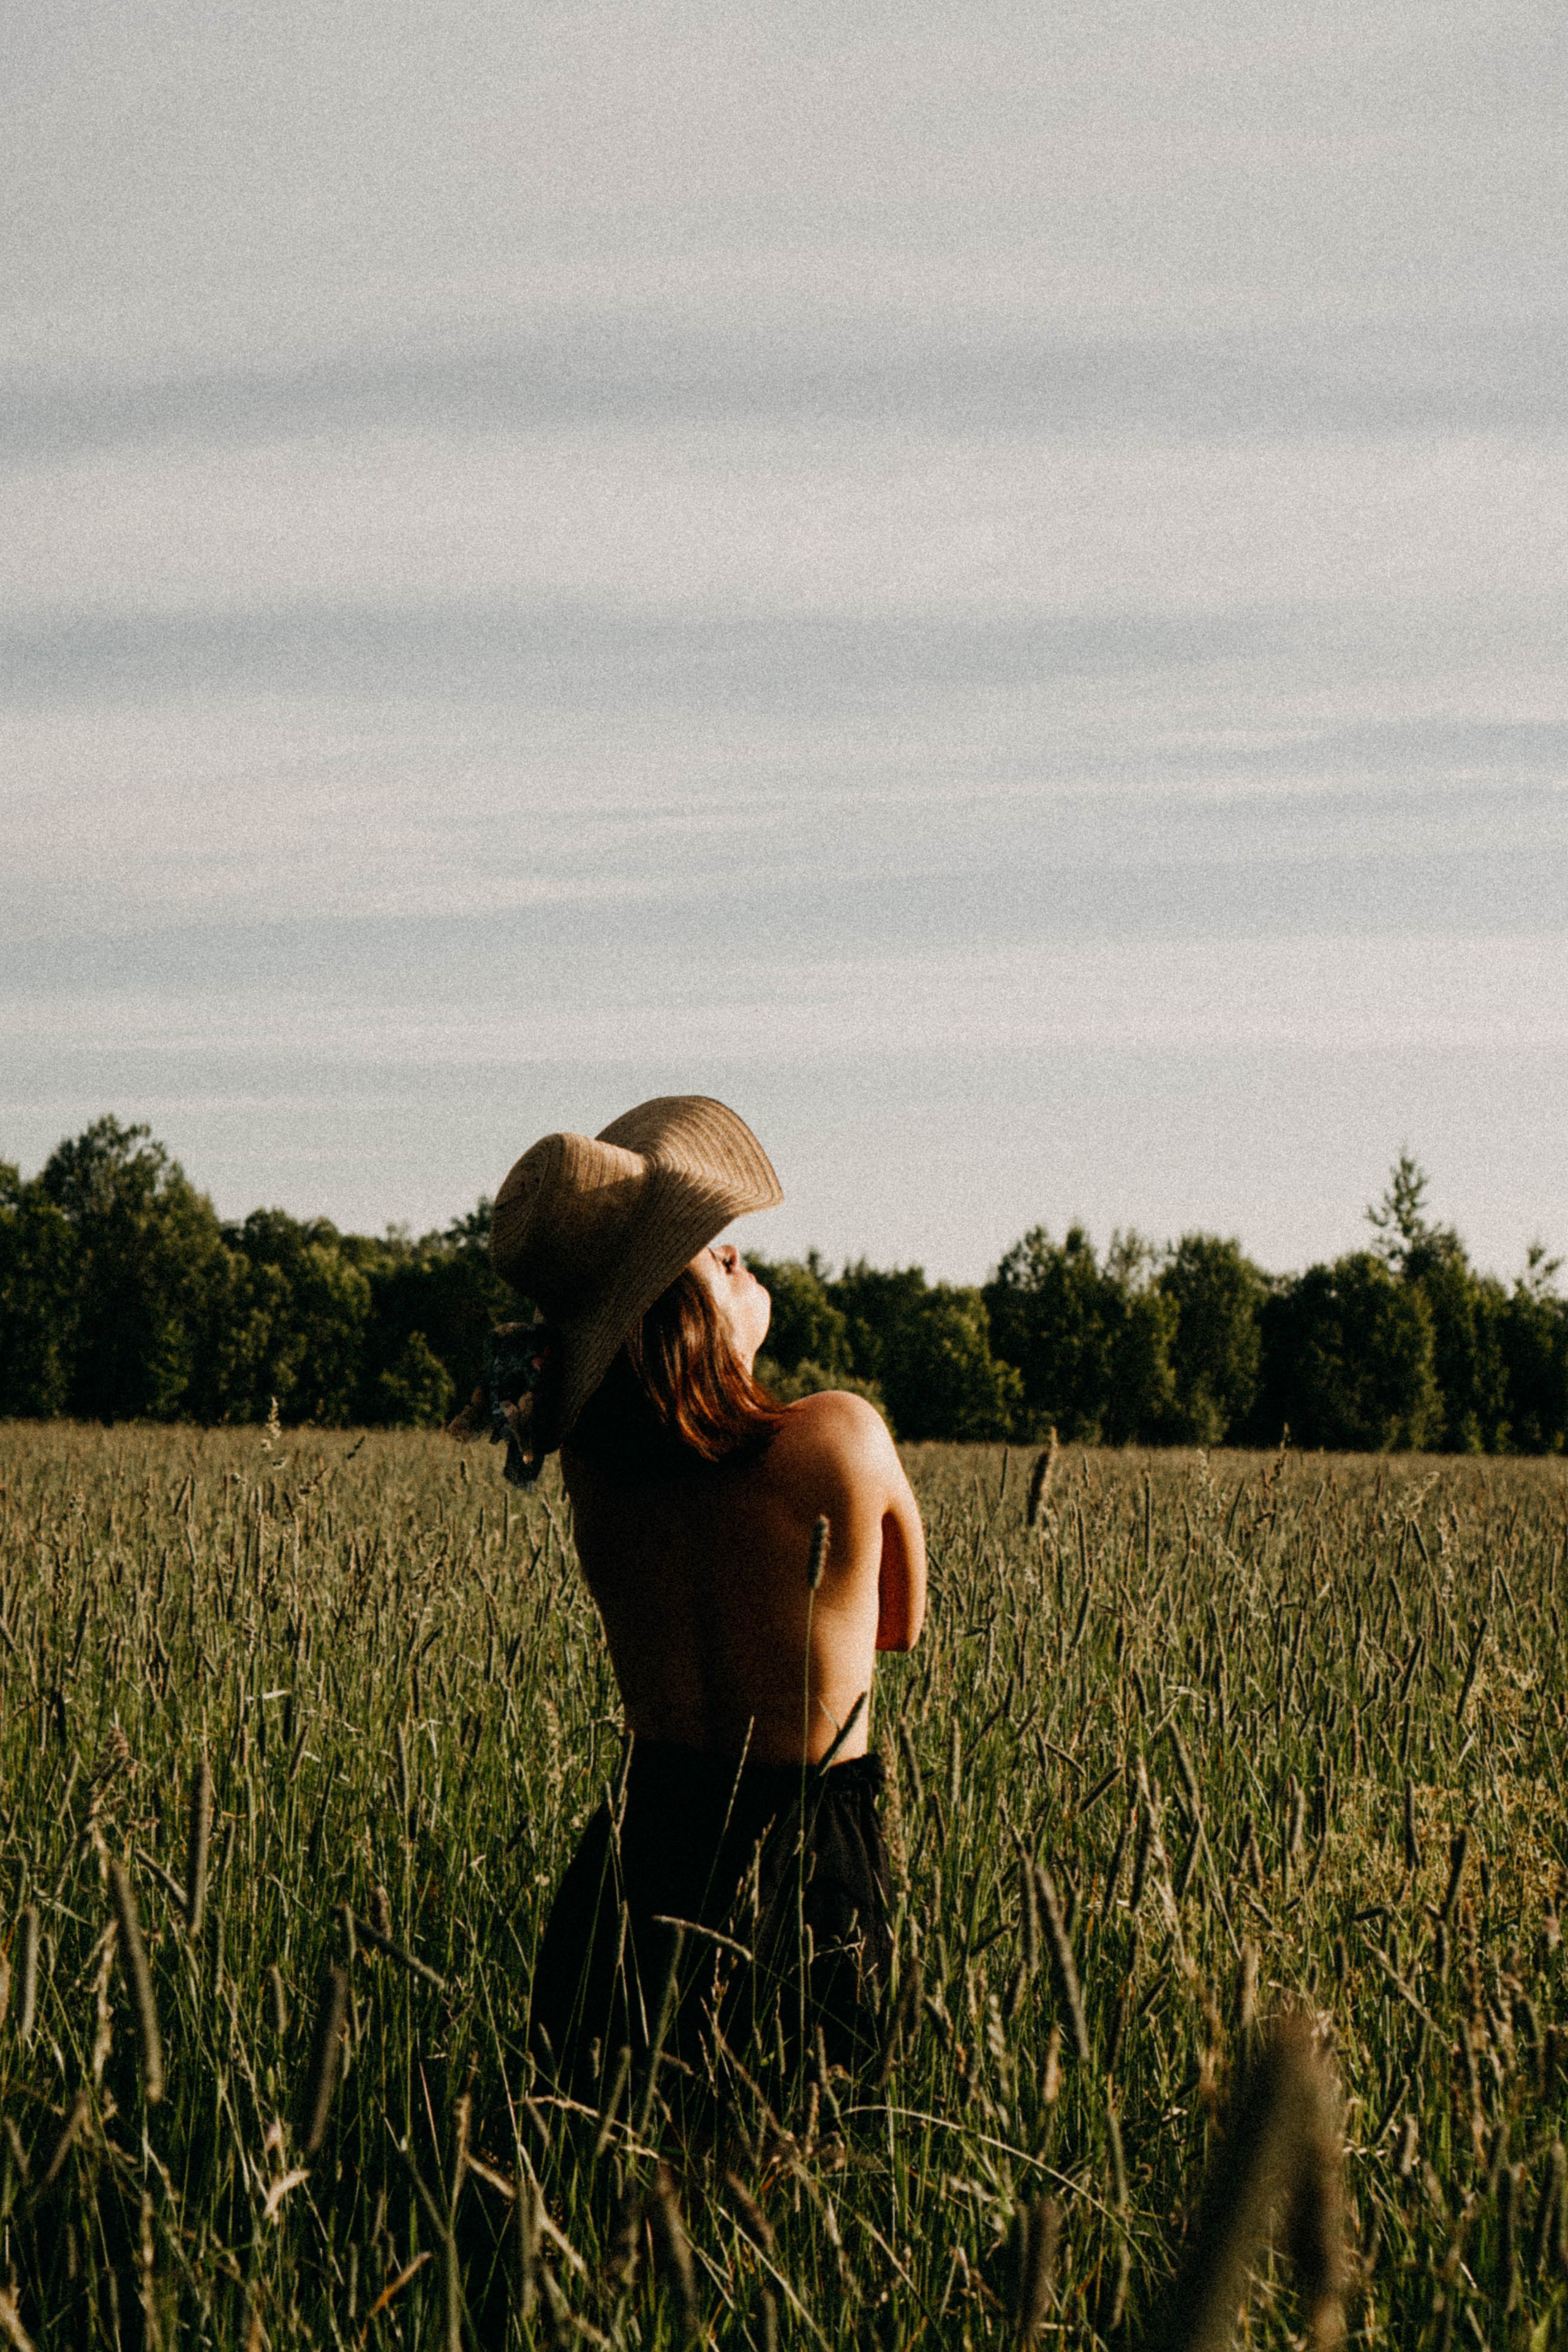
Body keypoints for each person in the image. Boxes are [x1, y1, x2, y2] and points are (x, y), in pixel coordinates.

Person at [466, 1095, 925, 2110]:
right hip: (805, 1875)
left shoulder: (595, 1475)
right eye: (723, 1262)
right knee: (786, 2206)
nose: (750, 1268)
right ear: (678, 1311)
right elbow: (898, 1627)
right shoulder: (844, 1434)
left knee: (609, 2210)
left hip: (634, 1869)